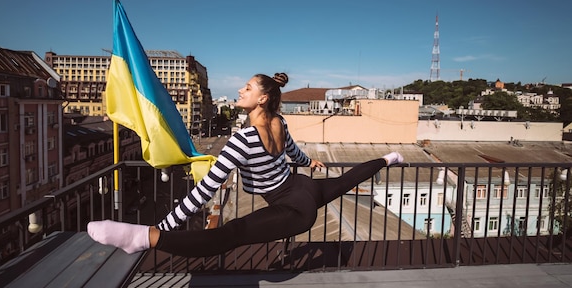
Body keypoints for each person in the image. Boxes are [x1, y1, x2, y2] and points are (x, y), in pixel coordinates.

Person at [87, 72, 403, 257]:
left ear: (263, 98)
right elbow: (294, 154)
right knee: (343, 182)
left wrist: (163, 225)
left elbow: (204, 191)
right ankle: (389, 158)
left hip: (294, 208)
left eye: (248, 88)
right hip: (303, 187)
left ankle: (144, 238)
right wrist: (312, 162)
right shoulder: (280, 122)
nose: (241, 90)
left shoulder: (243, 139)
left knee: (231, 234)